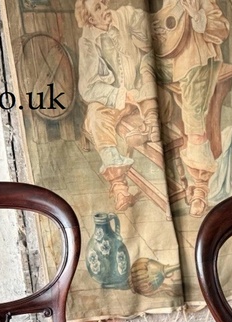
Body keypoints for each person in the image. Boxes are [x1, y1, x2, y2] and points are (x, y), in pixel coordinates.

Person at [75, 0, 161, 211]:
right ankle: (120, 187)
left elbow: (150, 21)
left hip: (139, 90)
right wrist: (121, 95)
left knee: (151, 77)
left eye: (103, 3)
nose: (105, 10)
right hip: (115, 99)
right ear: (89, 18)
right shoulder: (88, 42)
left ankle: (150, 125)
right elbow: (88, 88)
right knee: (96, 116)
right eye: (97, 8)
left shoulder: (123, 16)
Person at [154, 0, 230, 216]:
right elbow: (165, 23)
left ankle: (200, 187)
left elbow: (222, 28)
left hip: (198, 62)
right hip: (174, 64)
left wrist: (198, 16)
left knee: (193, 121)